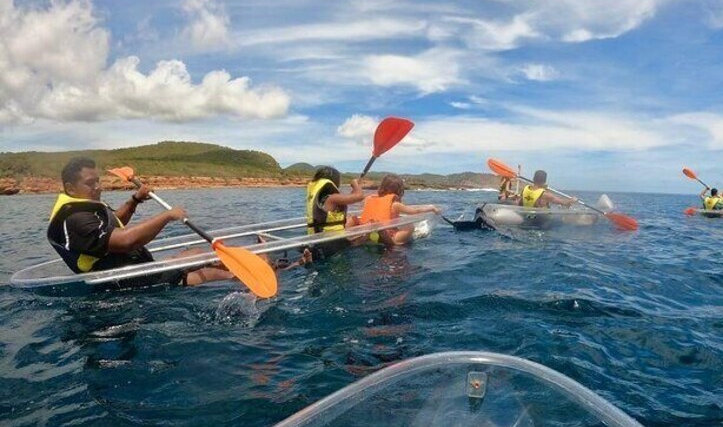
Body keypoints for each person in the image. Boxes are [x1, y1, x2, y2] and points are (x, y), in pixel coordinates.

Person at [47, 157, 303, 289]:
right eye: (90, 183)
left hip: (144, 268)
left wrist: (135, 200)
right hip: (131, 283)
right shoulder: (75, 219)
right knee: (212, 273)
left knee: (196, 253)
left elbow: (115, 224)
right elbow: (125, 241)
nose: (98, 187)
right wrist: (167, 216)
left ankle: (258, 266)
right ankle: (271, 275)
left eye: (98, 180)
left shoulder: (85, 209)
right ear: (70, 187)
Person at [350, 174, 440, 246]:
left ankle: (360, 238)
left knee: (354, 218)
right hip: (386, 235)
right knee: (410, 226)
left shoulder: (369, 199)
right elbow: (415, 211)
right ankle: (394, 242)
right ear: (399, 190)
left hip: (366, 230)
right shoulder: (395, 205)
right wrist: (431, 208)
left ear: (382, 187)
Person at [305, 166, 364, 258]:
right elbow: (360, 196)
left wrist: (355, 188)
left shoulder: (322, 198)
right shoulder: (333, 198)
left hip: (319, 243)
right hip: (332, 245)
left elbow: (350, 198)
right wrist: (355, 184)